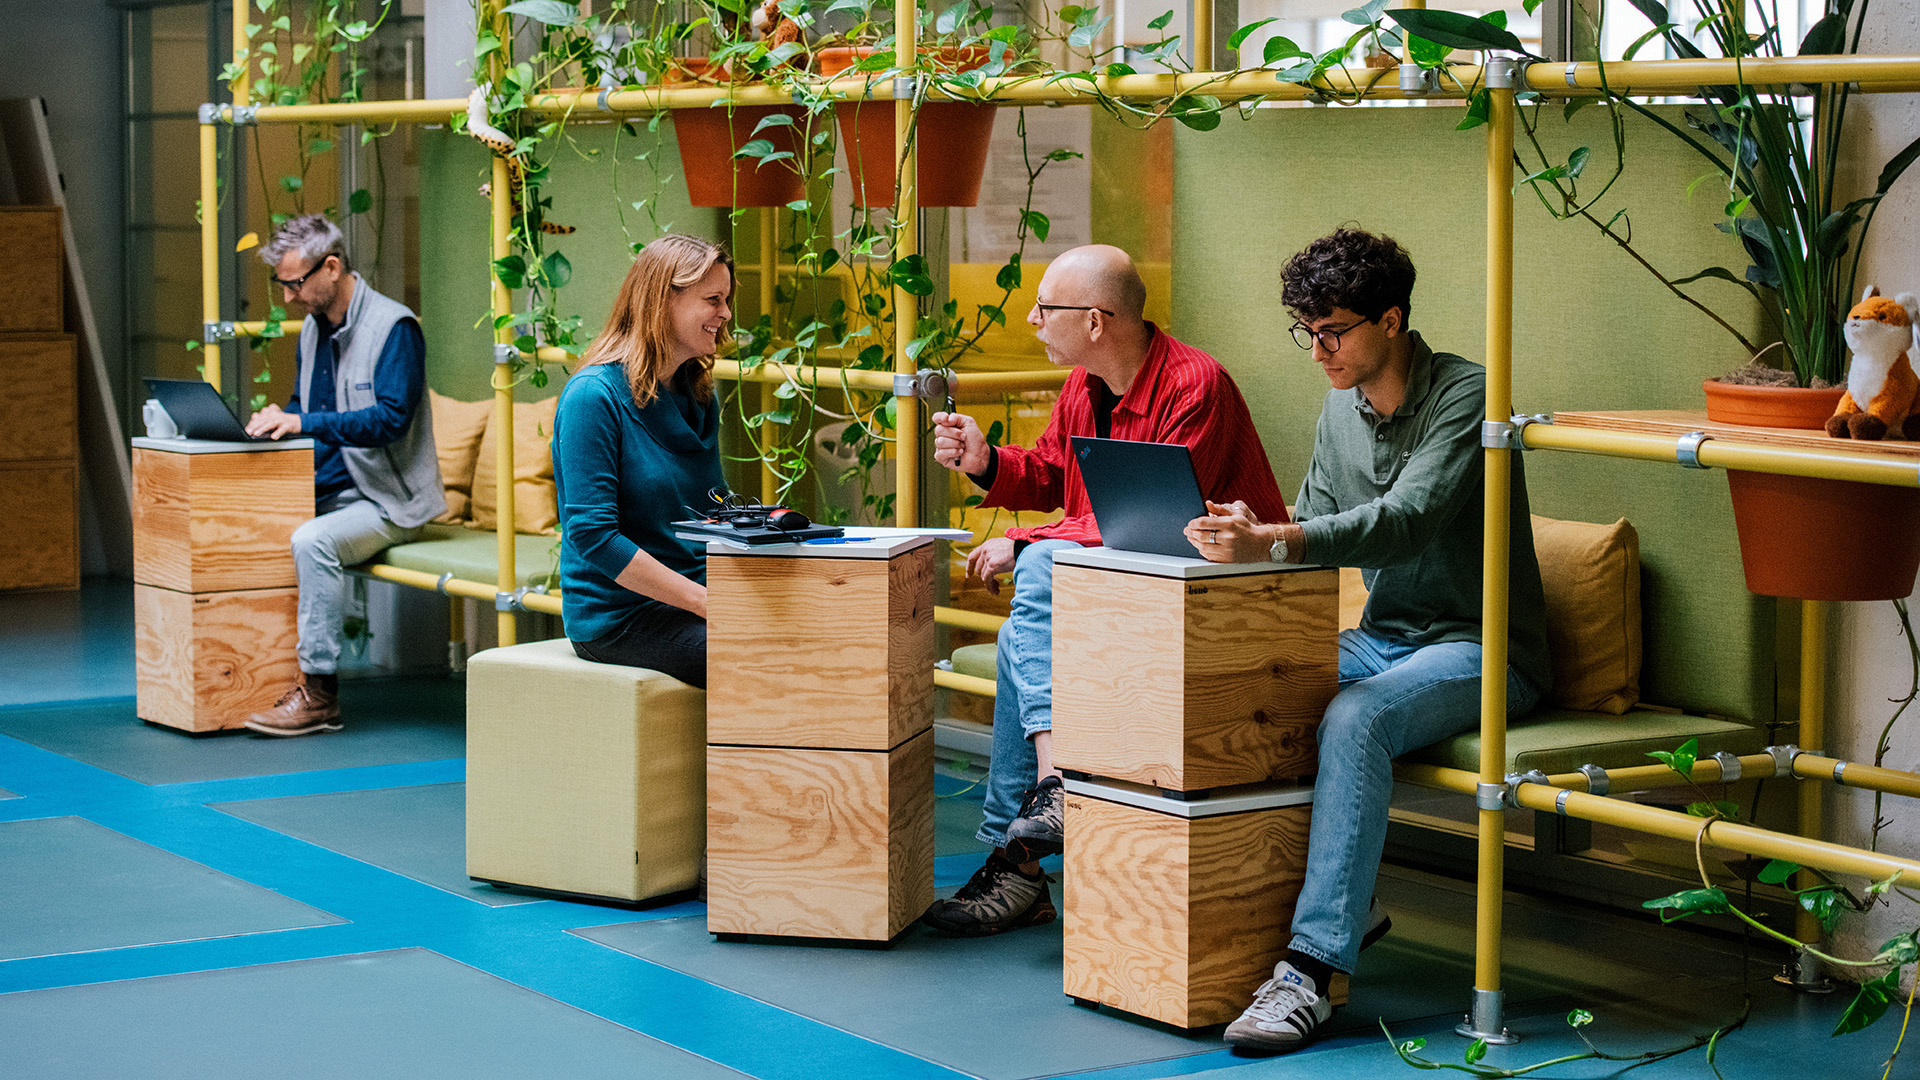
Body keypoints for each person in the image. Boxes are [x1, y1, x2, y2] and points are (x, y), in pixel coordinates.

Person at [1184, 228, 1550, 1053]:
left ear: (1391, 320)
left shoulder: (1469, 394)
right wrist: (1256, 538)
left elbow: (1406, 521)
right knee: (1251, 683)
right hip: (1385, 636)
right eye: (1307, 332)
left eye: (1333, 332)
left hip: (1482, 648)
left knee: (1356, 719)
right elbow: (1316, 526)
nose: (1318, 352)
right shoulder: (1337, 407)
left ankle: (1309, 972)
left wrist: (1277, 539)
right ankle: (1340, 906)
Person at [920, 244, 1290, 936]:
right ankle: (1027, 840)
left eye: (1044, 308)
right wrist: (986, 460)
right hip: (1137, 587)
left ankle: (1034, 830)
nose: (1031, 319)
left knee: (1037, 569)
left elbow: (1154, 520)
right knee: (1019, 632)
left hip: (1223, 601)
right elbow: (1055, 474)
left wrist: (1024, 541)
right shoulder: (1084, 385)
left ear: (1095, 320)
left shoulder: (1197, 385)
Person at [243, 215, 443, 737]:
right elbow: (306, 405)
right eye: (282, 284)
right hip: (333, 491)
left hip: (389, 503)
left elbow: (390, 421)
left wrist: (304, 422)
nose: (288, 297)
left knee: (312, 542)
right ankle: (246, 678)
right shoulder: (314, 328)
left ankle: (320, 695)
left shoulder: (395, 328)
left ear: (331, 267)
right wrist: (280, 418)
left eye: (294, 283)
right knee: (249, 526)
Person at [549, 235, 732, 688]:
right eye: (713, 300)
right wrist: (704, 601)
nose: (726, 314)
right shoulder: (593, 397)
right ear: (663, 300)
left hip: (695, 599)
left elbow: (715, 509)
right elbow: (593, 535)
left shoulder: (696, 393)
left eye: (726, 300)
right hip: (620, 618)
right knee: (764, 656)